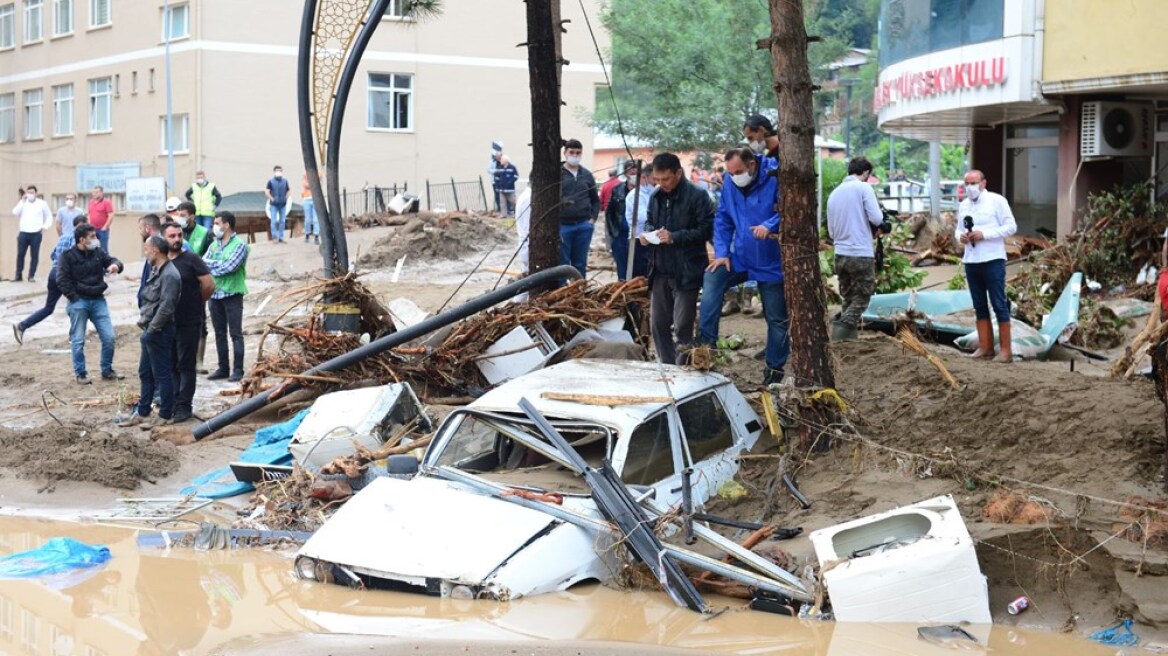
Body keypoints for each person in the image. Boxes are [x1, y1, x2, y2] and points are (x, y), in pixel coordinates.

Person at [701, 147, 788, 384]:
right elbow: (723, 218)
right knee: (713, 277)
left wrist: (770, 225)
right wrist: (721, 253)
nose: (734, 177)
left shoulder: (776, 175)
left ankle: (774, 371)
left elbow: (790, 208)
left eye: (738, 172)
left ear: (751, 165)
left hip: (771, 260)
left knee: (777, 318)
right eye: (730, 173)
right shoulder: (730, 183)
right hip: (740, 256)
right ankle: (705, 347)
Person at [641, 152, 714, 365]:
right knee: (658, 324)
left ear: (679, 173)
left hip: (687, 269)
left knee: (682, 326)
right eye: (657, 179)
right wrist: (648, 234)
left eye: (666, 179)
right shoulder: (655, 196)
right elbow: (649, 221)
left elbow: (706, 229)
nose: (661, 184)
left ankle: (683, 366)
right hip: (659, 268)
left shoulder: (698, 195)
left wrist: (675, 237)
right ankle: (667, 365)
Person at [118, 236, 180, 430]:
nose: (145, 253)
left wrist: (151, 330)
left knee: (162, 374)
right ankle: (143, 411)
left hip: (160, 330)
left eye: (146, 249)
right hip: (151, 329)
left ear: (155, 250)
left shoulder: (170, 274)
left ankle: (165, 415)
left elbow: (166, 307)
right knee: (145, 372)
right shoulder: (156, 270)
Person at [957, 169, 1017, 362]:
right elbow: (958, 230)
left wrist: (985, 234)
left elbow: (1011, 226)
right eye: (967, 183)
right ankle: (985, 347)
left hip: (993, 259)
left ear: (983, 183)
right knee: (979, 305)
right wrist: (961, 237)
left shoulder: (997, 201)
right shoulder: (964, 205)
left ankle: (1006, 351)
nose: (970, 187)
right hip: (971, 260)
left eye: (974, 183)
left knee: (999, 304)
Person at [56, 222, 125, 384]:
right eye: (92, 237)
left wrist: (115, 265)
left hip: (98, 300)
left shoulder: (97, 252)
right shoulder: (67, 256)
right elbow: (62, 280)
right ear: (82, 240)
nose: (96, 239)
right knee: (78, 340)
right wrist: (74, 298)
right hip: (79, 302)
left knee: (109, 337)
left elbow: (113, 260)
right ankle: (81, 374)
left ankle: (107, 370)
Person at [826, 156, 886, 341]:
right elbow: (877, 218)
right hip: (860, 253)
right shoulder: (863, 188)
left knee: (849, 298)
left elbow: (831, 232)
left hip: (840, 254)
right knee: (862, 297)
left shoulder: (835, 193)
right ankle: (839, 334)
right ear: (866, 172)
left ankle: (847, 342)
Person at [163, 221, 214, 422]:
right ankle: (174, 402)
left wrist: (194, 302)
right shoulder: (161, 260)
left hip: (189, 320)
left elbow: (208, 285)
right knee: (171, 364)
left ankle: (184, 406)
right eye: (172, 236)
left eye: (179, 235)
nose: (176, 239)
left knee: (186, 364)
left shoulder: (192, 259)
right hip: (167, 322)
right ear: (164, 238)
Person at [13, 214, 88, 345]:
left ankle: (22, 326)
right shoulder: (77, 240)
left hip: (54, 273)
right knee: (78, 304)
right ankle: (75, 336)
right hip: (66, 275)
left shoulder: (63, 237)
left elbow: (53, 254)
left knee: (48, 308)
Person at [204, 211, 250, 381]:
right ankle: (223, 368)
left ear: (227, 225)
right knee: (219, 333)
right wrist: (218, 265)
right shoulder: (214, 245)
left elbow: (230, 267)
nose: (214, 226)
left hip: (232, 293)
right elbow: (203, 262)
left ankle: (238, 370)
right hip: (215, 294)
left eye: (217, 223)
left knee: (235, 333)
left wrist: (213, 266)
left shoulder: (240, 245)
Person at [559, 138, 601, 278]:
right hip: (563, 226)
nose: (575, 155)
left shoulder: (587, 175)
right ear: (565, 153)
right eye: (572, 152)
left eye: (578, 153)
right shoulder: (558, 174)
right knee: (563, 263)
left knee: (580, 263)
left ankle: (580, 288)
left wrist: (592, 219)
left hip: (583, 225)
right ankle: (562, 289)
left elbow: (595, 200)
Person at [604, 161, 638, 280]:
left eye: (636, 170)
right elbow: (609, 213)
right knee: (622, 269)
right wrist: (613, 233)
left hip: (638, 236)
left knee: (637, 269)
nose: (633, 172)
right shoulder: (617, 190)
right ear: (625, 173)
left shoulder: (644, 191)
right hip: (620, 235)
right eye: (630, 170)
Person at [12, 185, 53, 282]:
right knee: (20, 254)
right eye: (28, 192)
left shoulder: (42, 203)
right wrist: (22, 201)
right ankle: (18, 275)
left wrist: (45, 226)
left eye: (32, 192)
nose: (30, 194)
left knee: (34, 255)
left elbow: (49, 216)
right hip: (23, 232)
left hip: (36, 233)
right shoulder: (23, 203)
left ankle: (31, 276)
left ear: (36, 193)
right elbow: (15, 212)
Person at [623, 167, 654, 279]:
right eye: (654, 179)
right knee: (639, 278)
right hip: (637, 241)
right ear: (644, 178)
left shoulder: (654, 194)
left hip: (653, 241)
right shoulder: (635, 196)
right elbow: (643, 217)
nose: (657, 182)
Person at [264, 165, 290, 243]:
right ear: (274, 172)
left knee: (282, 221)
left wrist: (286, 198)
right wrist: (272, 199)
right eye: (277, 171)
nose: (279, 172)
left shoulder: (285, 181)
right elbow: (267, 192)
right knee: (273, 221)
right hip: (274, 205)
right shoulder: (270, 181)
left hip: (283, 204)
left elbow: (288, 190)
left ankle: (281, 237)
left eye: (280, 171)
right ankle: (275, 237)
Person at [87, 186, 115, 254]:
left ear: (101, 193)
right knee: (92, 248)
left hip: (102, 230)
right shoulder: (90, 202)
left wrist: (105, 227)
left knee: (103, 249)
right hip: (92, 229)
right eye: (93, 192)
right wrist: (89, 225)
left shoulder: (107, 202)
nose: (94, 194)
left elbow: (111, 215)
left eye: (97, 192)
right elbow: (89, 214)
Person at [301, 172, 320, 244]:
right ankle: (307, 234)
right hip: (306, 199)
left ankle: (316, 236)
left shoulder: (318, 173)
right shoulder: (305, 174)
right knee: (308, 219)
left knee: (316, 219)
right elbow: (307, 185)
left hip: (315, 199)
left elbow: (319, 182)